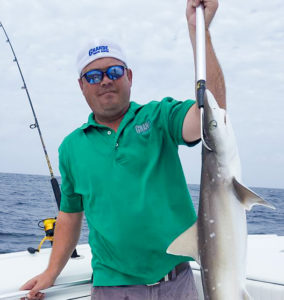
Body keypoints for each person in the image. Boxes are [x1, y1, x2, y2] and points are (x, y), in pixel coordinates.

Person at [21, 0, 225, 299]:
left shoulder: (159, 117)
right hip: (112, 288)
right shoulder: (71, 147)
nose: (104, 80)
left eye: (113, 71)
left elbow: (214, 115)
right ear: (82, 86)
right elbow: (68, 216)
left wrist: (199, 30)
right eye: (93, 76)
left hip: (177, 282)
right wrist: (51, 272)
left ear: (129, 76)